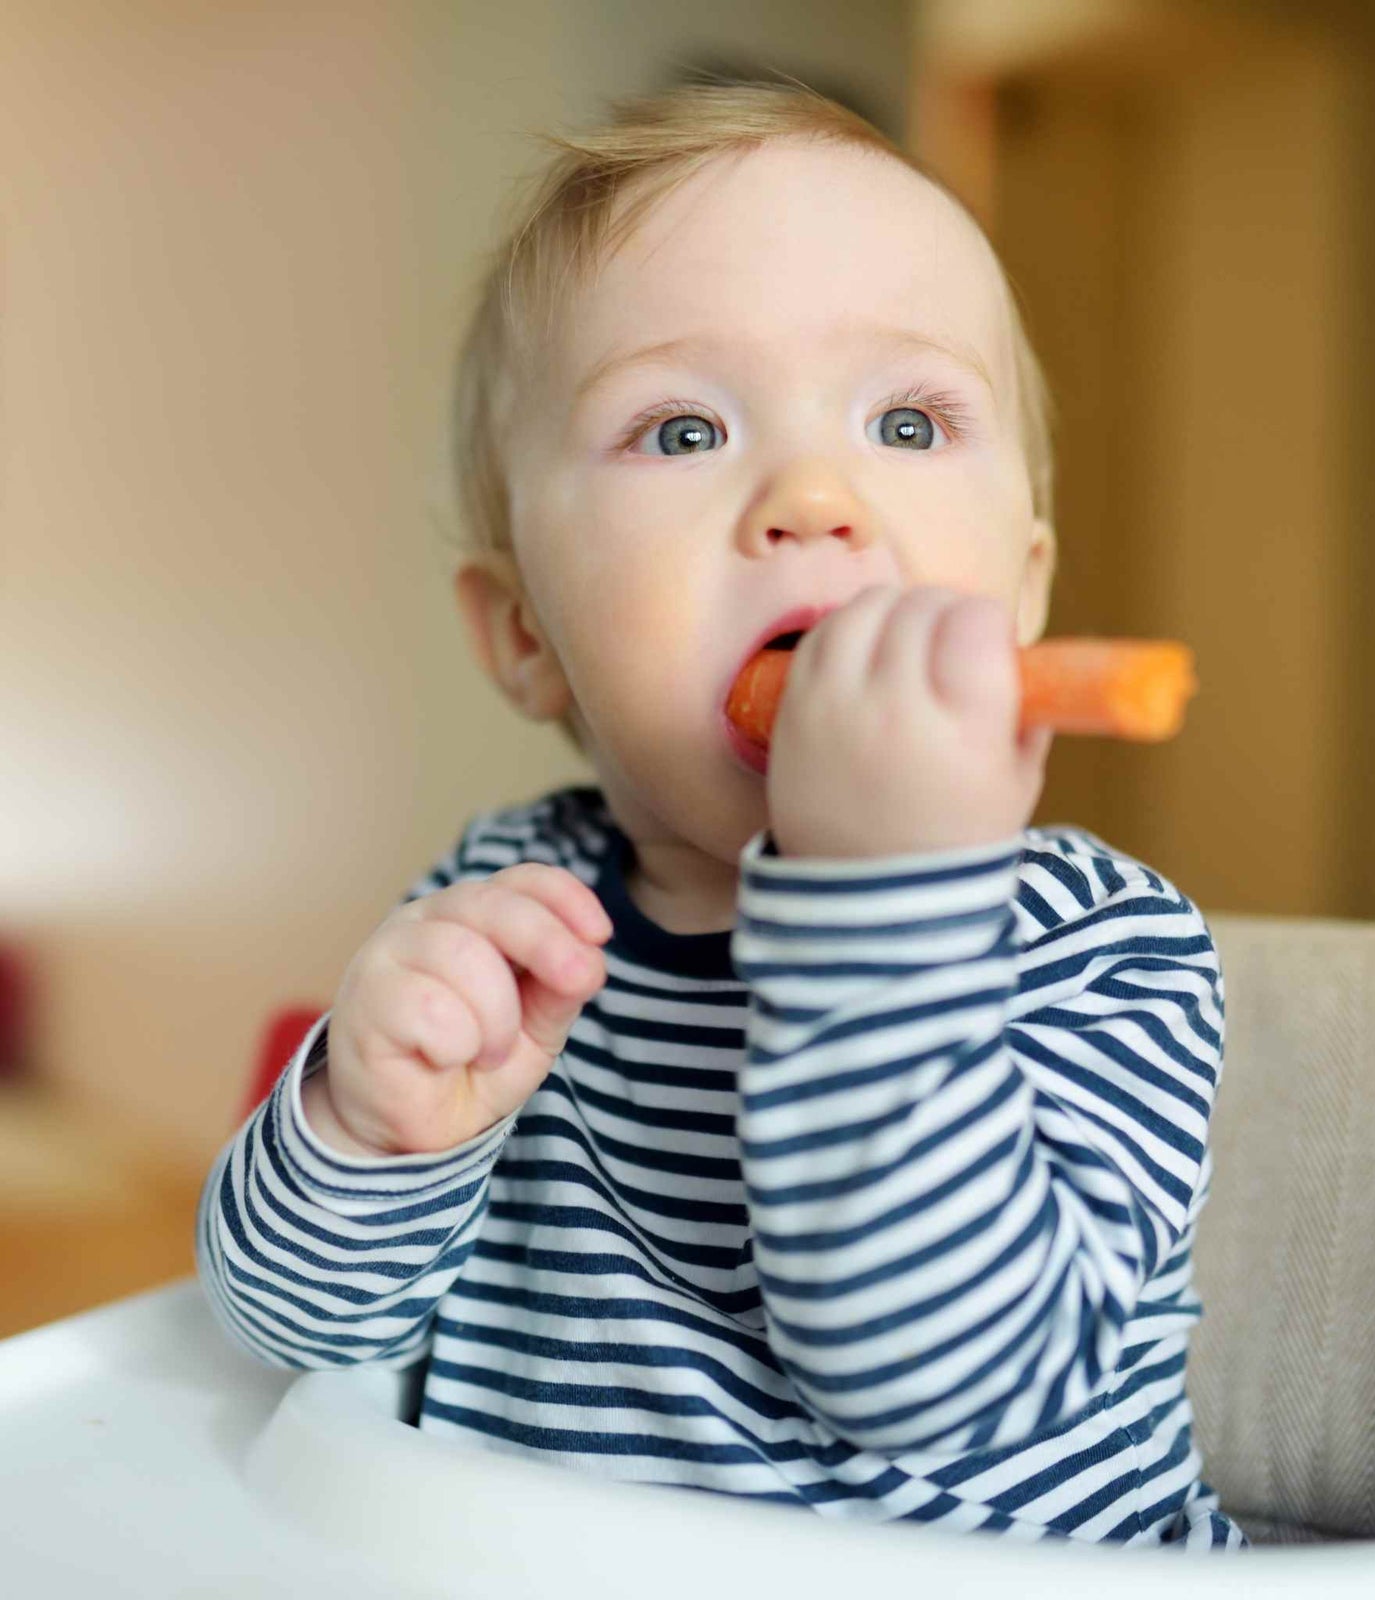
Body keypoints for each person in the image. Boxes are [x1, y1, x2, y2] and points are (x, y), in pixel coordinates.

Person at [196, 79, 1247, 1552]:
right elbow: (285, 1329)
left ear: (1021, 587)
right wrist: (366, 1138)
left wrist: (880, 901)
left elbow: (933, 1380)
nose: (812, 496)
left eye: (906, 417)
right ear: (524, 635)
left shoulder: (1102, 950)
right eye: (682, 431)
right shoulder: (509, 909)